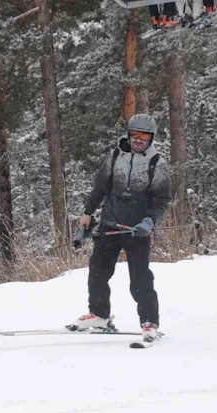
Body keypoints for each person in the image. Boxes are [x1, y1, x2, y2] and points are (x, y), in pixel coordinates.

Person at [69, 114, 172, 342]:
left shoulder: (157, 164)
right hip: (109, 222)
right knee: (97, 271)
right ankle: (99, 315)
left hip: (137, 230)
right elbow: (99, 188)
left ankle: (149, 321)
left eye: (144, 136)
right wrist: (88, 213)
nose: (138, 140)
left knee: (140, 278)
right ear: (129, 134)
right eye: (135, 134)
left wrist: (149, 222)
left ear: (151, 137)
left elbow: (161, 200)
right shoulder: (115, 157)